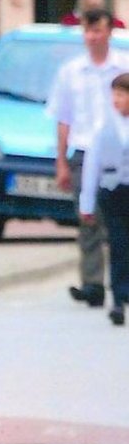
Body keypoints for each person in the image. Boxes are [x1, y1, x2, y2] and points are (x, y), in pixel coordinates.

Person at [47, 8, 129, 307]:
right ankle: (93, 284)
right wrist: (61, 161)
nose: (92, 37)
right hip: (84, 153)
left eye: (97, 31)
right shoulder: (71, 72)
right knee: (88, 217)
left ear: (109, 32)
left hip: (121, 154)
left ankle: (122, 283)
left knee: (122, 223)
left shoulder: (124, 66)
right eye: (87, 31)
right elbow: (63, 119)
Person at [80, 72, 129, 326]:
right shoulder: (104, 127)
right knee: (118, 243)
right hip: (112, 191)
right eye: (114, 94)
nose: (116, 99)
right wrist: (86, 202)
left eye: (121, 94)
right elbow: (92, 165)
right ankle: (118, 300)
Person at [60, 0, 126, 29]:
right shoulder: (69, 22)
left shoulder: (115, 24)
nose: (93, 11)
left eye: (96, 7)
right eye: (89, 7)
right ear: (81, 6)